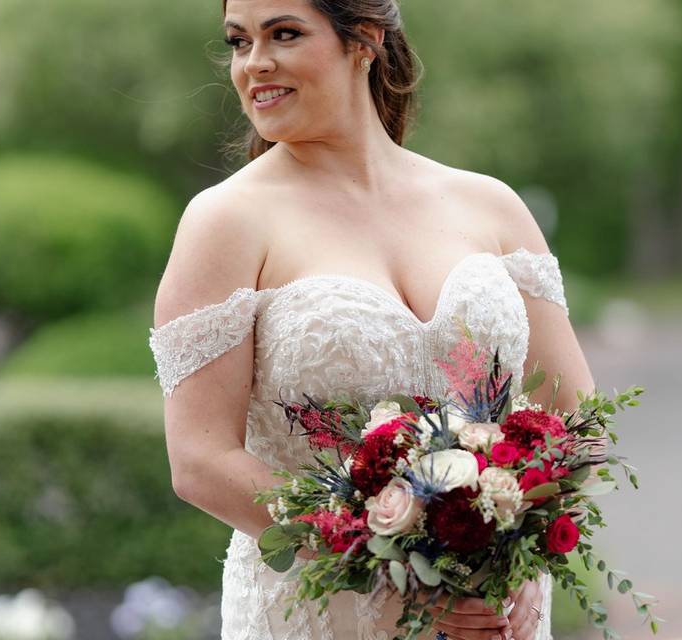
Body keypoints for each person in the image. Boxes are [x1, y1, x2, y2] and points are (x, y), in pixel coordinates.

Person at [148, 0, 595, 638]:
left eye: (284, 34)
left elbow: (572, 409)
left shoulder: (491, 205)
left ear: (365, 39)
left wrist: (519, 552)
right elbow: (200, 459)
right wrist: (400, 571)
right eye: (238, 41)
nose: (255, 63)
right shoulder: (226, 221)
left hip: (497, 614)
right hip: (323, 607)